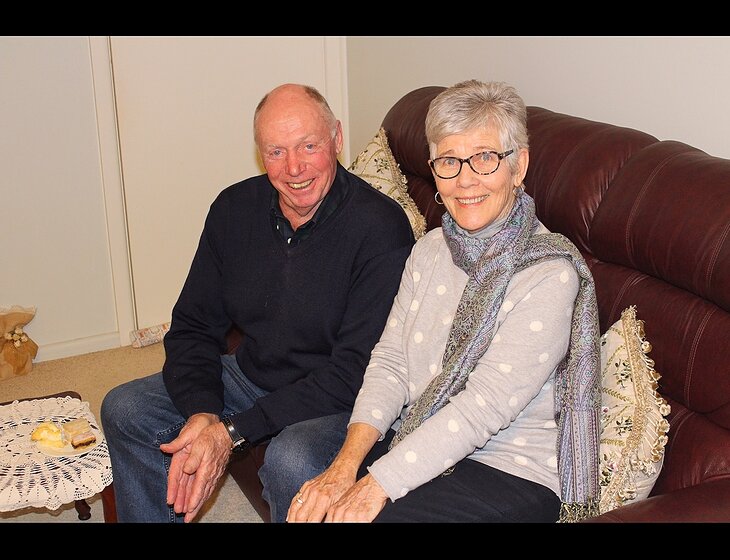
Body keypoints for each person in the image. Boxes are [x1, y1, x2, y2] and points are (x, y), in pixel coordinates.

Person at [287, 80, 602, 524]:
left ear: (518, 165)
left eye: (485, 158)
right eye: (449, 161)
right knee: (292, 457)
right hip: (419, 425)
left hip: (510, 467)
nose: (465, 180)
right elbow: (391, 362)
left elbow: (482, 407)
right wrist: (344, 466)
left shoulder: (549, 275)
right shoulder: (430, 249)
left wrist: (375, 485)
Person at [100, 83, 415, 523]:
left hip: (340, 400)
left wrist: (232, 431)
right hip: (253, 374)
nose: (294, 168)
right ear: (260, 153)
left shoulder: (380, 228)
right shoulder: (234, 209)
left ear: (337, 139)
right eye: (276, 152)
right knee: (125, 408)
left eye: (309, 146)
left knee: (292, 459)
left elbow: (353, 373)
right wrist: (203, 411)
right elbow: (193, 325)